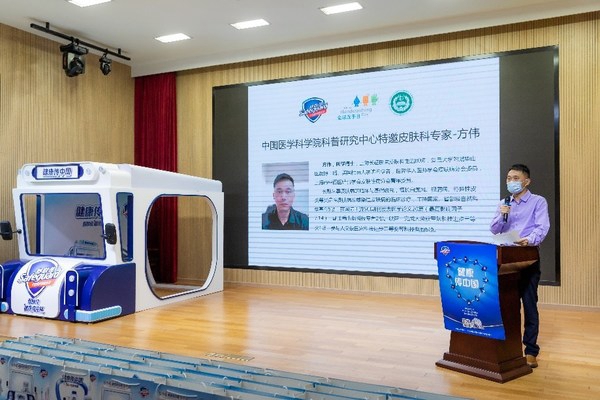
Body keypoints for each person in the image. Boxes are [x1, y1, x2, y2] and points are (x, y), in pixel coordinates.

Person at [490, 163, 550, 369]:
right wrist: (502, 215)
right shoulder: (504, 203)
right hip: (506, 259)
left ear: (526, 181)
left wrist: (529, 240)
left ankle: (531, 350)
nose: (511, 182)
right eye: (508, 178)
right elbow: (494, 229)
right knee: (507, 303)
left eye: (515, 178)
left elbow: (542, 227)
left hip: (527, 257)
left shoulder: (538, 201)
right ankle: (508, 347)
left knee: (529, 303)